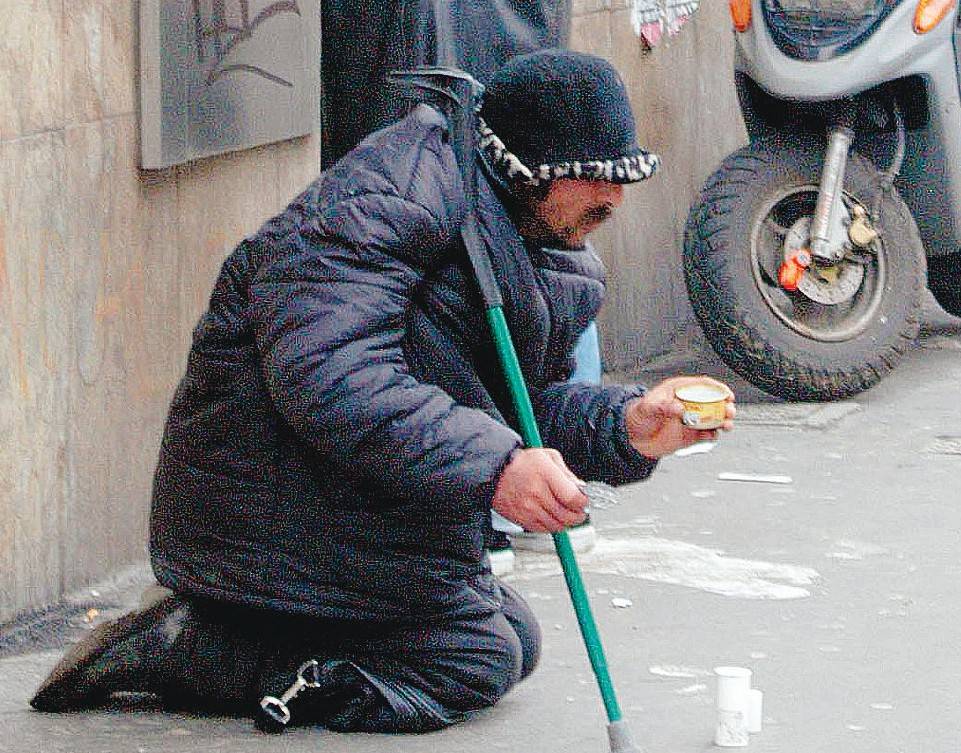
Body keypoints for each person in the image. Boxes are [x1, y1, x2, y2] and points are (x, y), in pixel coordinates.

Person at [30, 50, 735, 733]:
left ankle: (231, 634)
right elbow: (327, 374)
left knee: (511, 635)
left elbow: (524, 403)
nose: (611, 199)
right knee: (472, 655)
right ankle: (196, 647)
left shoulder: (539, 236)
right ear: (530, 167)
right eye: (593, 178)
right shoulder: (390, 193)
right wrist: (495, 466)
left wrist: (628, 423)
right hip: (275, 508)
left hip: (362, 502)